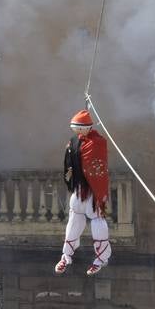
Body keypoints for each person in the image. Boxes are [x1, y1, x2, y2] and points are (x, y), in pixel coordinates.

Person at [56, 108, 112, 275]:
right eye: (76, 127)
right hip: (79, 188)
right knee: (74, 219)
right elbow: (69, 160)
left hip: (93, 190)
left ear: (88, 127)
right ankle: (66, 255)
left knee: (97, 221)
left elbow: (96, 163)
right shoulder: (74, 141)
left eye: (80, 127)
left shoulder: (98, 142)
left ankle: (101, 258)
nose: (77, 130)